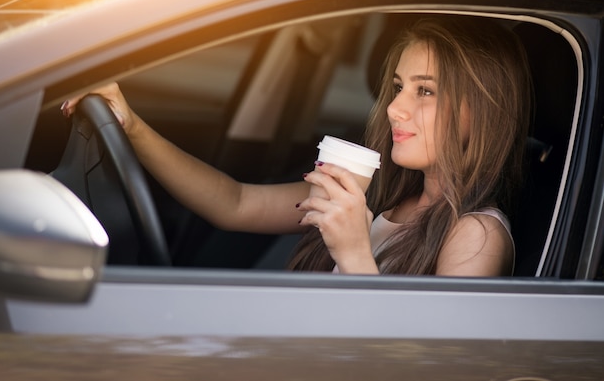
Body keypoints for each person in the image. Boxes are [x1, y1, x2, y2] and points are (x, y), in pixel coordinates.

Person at [62, 15, 532, 277]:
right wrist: (128, 124)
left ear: (479, 110)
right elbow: (236, 202)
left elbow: (431, 366)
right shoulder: (380, 193)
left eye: (424, 91)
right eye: (397, 86)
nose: (394, 108)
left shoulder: (476, 236)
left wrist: (353, 253)